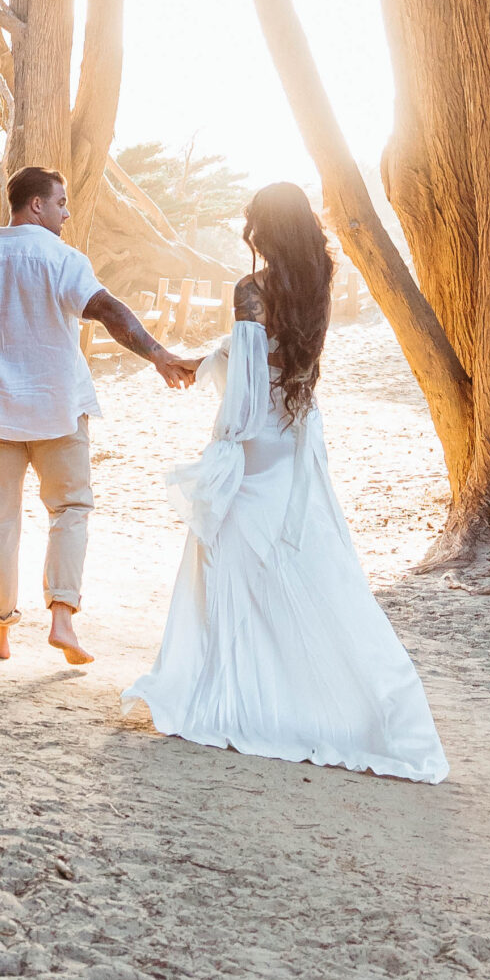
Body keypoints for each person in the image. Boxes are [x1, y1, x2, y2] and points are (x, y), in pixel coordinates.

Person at [123, 182, 448, 782]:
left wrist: (225, 446)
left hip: (254, 437)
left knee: (229, 556)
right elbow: (275, 359)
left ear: (264, 229)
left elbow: (247, 381)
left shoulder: (253, 288)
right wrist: (210, 359)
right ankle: (324, 691)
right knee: (296, 559)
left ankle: (238, 692)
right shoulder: (318, 282)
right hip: (295, 433)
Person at [0, 164, 196, 665]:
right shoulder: (62, 258)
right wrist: (158, 353)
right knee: (70, 510)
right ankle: (61, 619)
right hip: (58, 409)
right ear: (36, 204)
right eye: (60, 202)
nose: (66, 213)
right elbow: (108, 310)